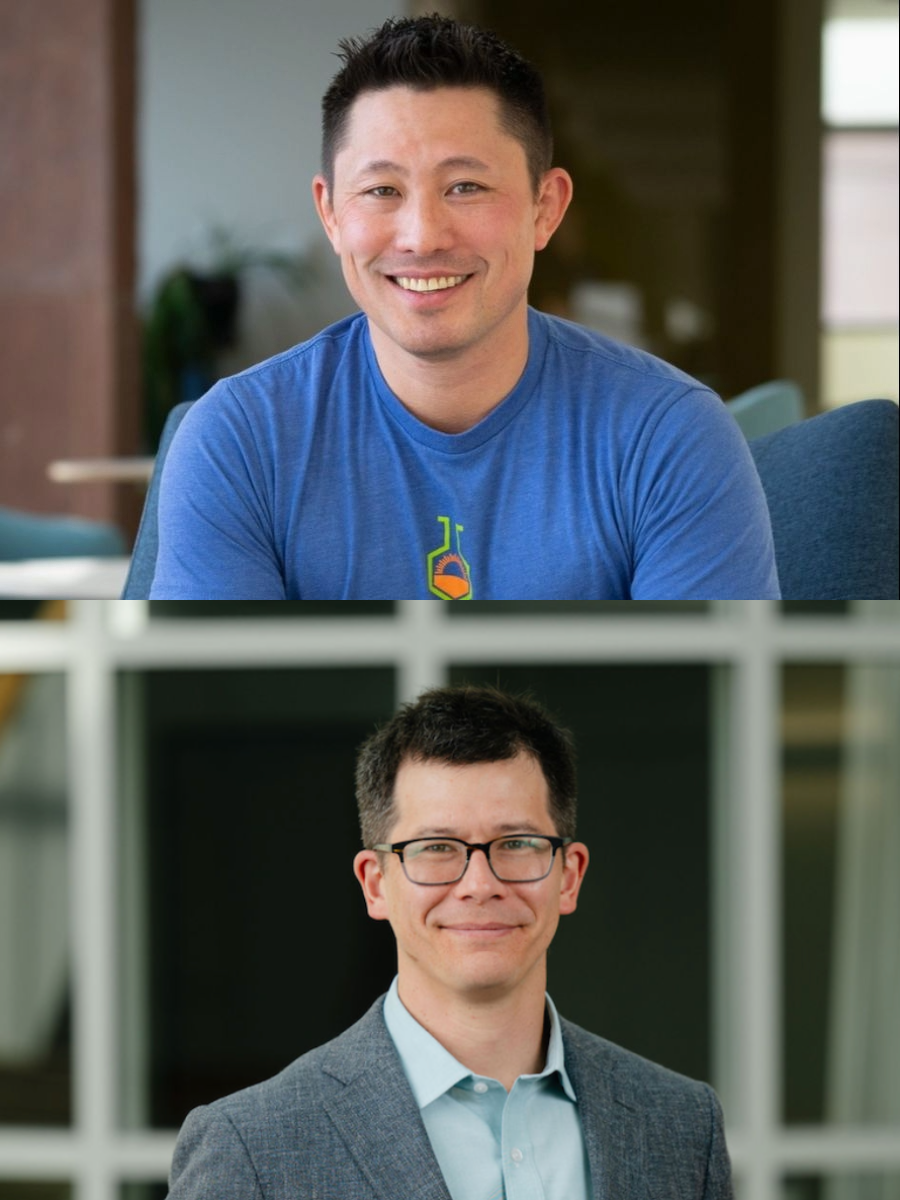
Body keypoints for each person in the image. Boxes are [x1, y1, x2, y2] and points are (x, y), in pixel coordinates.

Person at [149, 15, 779, 601]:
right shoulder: (238, 441)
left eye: (466, 187)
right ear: (332, 213)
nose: (422, 236)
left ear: (546, 207)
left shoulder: (670, 436)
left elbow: (707, 714)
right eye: (381, 190)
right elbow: (220, 714)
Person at [167, 684, 735, 1198]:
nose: (480, 885)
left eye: (516, 843)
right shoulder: (251, 1149)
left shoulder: (683, 1127)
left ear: (569, 875)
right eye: (437, 848)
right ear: (375, 884)